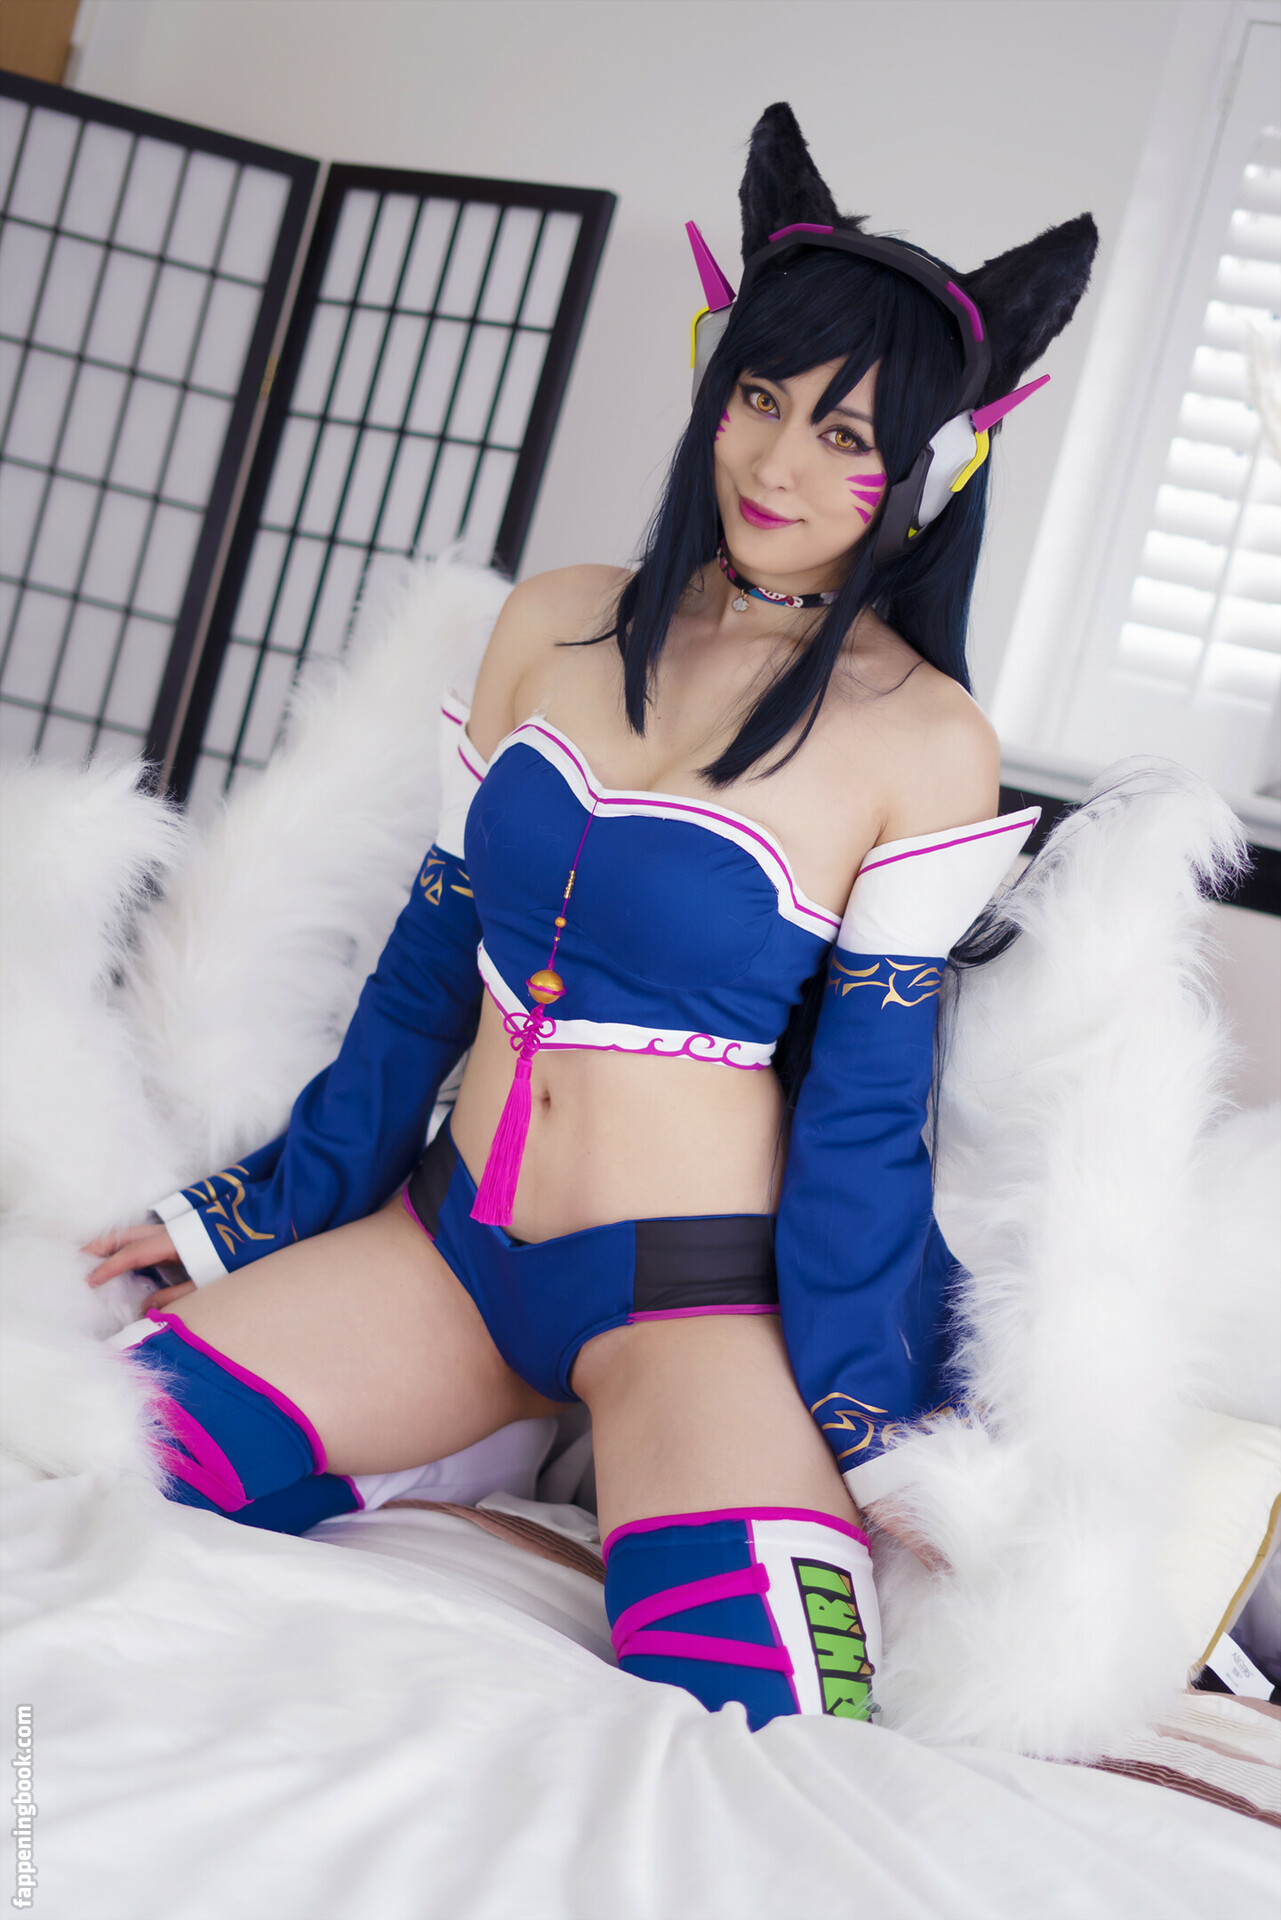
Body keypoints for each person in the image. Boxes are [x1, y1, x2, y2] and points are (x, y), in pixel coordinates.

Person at [84, 105, 1096, 1730]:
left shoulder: (921, 738)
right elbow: (427, 970)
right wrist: (253, 1213)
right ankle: (460, 1429)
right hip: (447, 1247)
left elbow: (863, 1110)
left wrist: (868, 1418)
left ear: (930, 466)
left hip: (686, 1300)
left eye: (847, 433)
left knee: (763, 1715)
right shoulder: (552, 625)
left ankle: (544, 1442)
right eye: (759, 398)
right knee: (85, 1452)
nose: (778, 464)